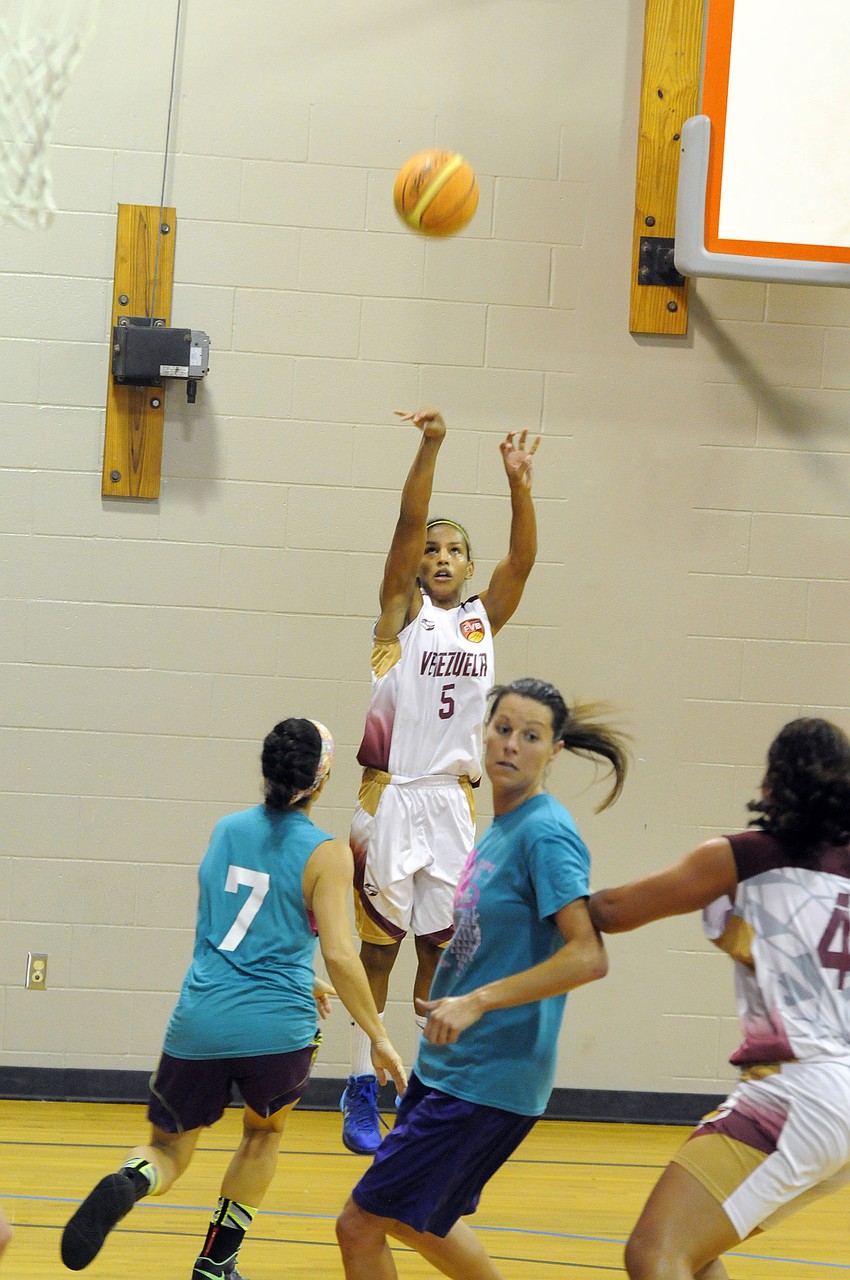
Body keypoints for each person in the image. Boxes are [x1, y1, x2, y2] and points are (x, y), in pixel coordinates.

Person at [61, 718, 406, 1279]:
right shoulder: (328, 853)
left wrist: (298, 968)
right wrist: (379, 1036)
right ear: (321, 781)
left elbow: (226, 930)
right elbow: (343, 956)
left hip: (203, 1016)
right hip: (276, 1026)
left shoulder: (225, 831)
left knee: (168, 1150)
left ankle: (131, 1179)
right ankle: (217, 1261)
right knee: (261, 1134)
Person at [335, 676, 630, 1278]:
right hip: (449, 1068)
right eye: (502, 729)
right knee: (417, 1221)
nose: (511, 745)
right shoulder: (496, 827)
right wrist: (443, 995)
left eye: (530, 736)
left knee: (359, 1225)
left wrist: (476, 1002)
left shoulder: (546, 833)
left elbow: (587, 954)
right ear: (483, 734)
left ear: (556, 750)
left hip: (488, 1079)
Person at [342, 407, 541, 1155]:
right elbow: (406, 521)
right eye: (435, 550)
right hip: (390, 793)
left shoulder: (481, 622)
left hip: (453, 803)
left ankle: (421, 1090)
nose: (444, 557)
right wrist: (432, 445)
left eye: (457, 550)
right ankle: (361, 1081)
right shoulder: (399, 616)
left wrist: (519, 485)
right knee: (379, 950)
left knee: (443, 952)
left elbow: (520, 563)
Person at [587, 716, 850, 1280]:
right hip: (839, 1102)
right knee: (695, 1249)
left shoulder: (743, 857)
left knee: (653, 1255)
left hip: (796, 1095)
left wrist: (549, 894)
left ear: (771, 785)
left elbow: (612, 911)